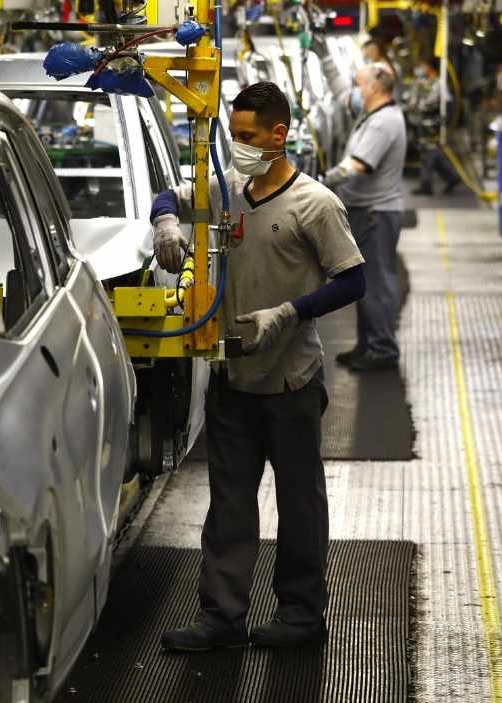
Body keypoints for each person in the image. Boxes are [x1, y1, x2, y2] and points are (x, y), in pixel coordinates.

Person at [152, 82, 366, 651]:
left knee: (299, 503)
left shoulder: (315, 204)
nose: (237, 146)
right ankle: (222, 618)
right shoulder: (228, 192)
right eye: (232, 135)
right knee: (228, 505)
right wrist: (166, 222)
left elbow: (353, 279)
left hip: (291, 379)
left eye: (247, 137)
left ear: (279, 134)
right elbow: (168, 195)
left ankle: (301, 615)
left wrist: (289, 312)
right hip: (232, 376)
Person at [323, 65, 408, 372]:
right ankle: (367, 344)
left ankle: (383, 348)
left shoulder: (383, 123)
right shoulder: (374, 114)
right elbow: (342, 96)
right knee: (365, 283)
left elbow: (357, 165)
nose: (355, 92)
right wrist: (326, 61)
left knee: (376, 283)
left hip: (376, 214)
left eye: (359, 86)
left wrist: (323, 180)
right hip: (367, 211)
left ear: (373, 88)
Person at [406, 58, 460, 196]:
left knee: (429, 152)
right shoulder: (422, 82)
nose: (421, 69)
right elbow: (413, 99)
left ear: (429, 67)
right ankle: (451, 177)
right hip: (422, 122)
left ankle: (426, 184)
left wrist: (418, 106)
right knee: (430, 152)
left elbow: (438, 102)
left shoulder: (439, 83)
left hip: (432, 123)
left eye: (423, 65)